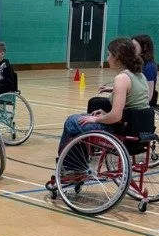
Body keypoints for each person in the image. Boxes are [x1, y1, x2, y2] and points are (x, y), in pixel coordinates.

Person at [47, 38, 150, 188]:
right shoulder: (140, 76)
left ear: (117, 57)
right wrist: (103, 113)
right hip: (138, 130)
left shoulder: (122, 78)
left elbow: (116, 116)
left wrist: (96, 120)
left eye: (108, 55)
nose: (107, 58)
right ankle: (75, 166)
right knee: (80, 124)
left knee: (72, 122)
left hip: (119, 132)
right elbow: (132, 107)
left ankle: (70, 169)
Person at [132, 34, 159, 106]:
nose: (131, 49)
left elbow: (149, 96)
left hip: (138, 105)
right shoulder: (139, 64)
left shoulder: (148, 67)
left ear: (144, 47)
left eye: (134, 46)